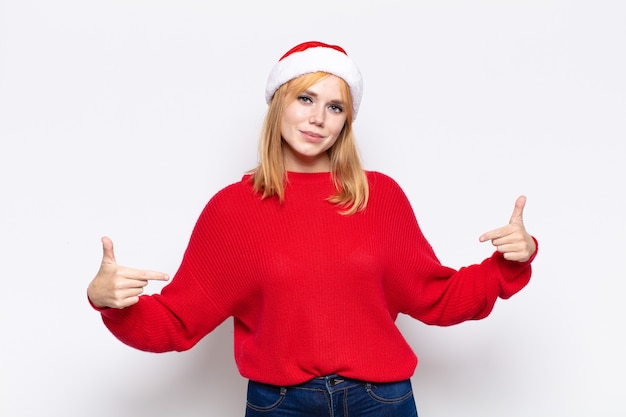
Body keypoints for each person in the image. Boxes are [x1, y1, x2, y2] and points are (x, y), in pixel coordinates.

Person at [87, 41, 538, 417]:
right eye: (306, 98)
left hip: (380, 401)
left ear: (346, 121)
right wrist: (108, 303)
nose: (318, 117)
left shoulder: (378, 196)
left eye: (335, 106)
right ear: (279, 101)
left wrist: (510, 263)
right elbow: (178, 323)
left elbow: (436, 296)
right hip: (280, 404)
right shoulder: (233, 210)